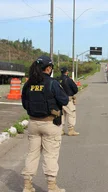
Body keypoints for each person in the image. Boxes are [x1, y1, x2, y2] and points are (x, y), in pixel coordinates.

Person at [21, 56, 69, 192]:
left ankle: (27, 185)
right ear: (48, 68)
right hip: (50, 124)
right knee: (50, 155)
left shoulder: (28, 83)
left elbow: (25, 103)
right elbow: (64, 100)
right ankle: (52, 186)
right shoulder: (52, 83)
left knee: (32, 154)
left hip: (33, 123)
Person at [59, 67, 79, 136]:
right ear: (67, 72)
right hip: (68, 99)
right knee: (71, 114)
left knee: (62, 115)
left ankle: (61, 130)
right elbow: (75, 89)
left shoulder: (57, 79)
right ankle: (71, 130)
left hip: (59, 100)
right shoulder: (68, 80)